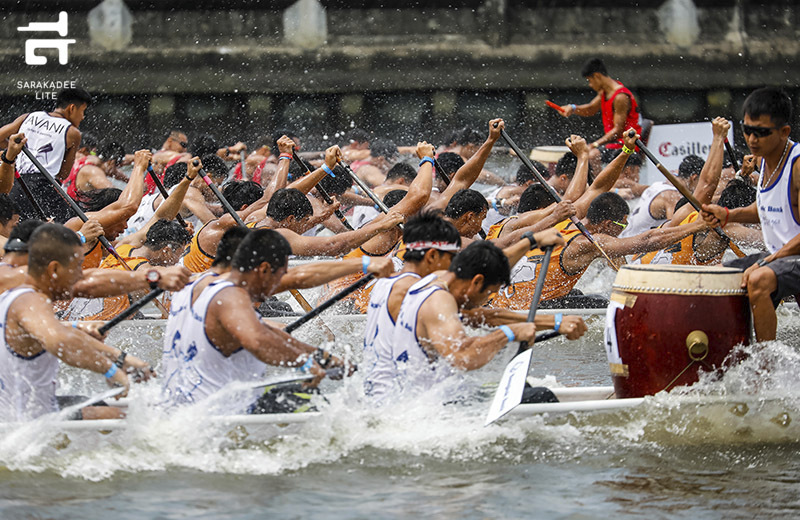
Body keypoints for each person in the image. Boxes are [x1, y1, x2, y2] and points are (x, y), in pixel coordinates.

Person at [363, 212, 586, 400]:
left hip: (399, 393)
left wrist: (531, 242)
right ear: (432, 255)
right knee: (539, 397)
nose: (456, 265)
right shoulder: (415, 292)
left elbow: (483, 283)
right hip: (403, 401)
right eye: (453, 257)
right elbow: (462, 354)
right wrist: (509, 333)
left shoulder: (399, 282)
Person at [490, 131, 711, 308]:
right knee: (602, 303)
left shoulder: (565, 219)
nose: (623, 230)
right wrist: (698, 226)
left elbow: (599, 187)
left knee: (578, 294)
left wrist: (625, 150)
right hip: (525, 310)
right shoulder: (589, 243)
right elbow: (647, 240)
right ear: (607, 224)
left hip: (499, 300)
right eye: (622, 225)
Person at [160, 229, 353, 412]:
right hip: (220, 413)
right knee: (322, 406)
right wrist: (303, 362)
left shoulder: (190, 284)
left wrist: (320, 356)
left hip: (179, 405)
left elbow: (261, 328)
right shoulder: (228, 296)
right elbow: (258, 340)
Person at [0, 223, 151, 422]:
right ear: (53, 267)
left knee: (98, 404)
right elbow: (58, 340)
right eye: (78, 266)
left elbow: (37, 333)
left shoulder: (14, 294)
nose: (80, 275)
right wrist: (111, 370)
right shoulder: (29, 298)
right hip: (28, 425)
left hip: (18, 409)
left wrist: (77, 328)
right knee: (131, 418)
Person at [701, 87, 800, 342]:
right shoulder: (764, 157)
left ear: (784, 132)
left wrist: (768, 261)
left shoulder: (797, 165)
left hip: (793, 256)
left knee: (758, 278)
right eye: (747, 130)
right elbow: (768, 208)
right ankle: (731, 352)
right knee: (715, 277)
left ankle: (764, 365)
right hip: (783, 257)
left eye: (761, 132)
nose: (752, 139)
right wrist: (726, 214)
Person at [0, 87, 93, 222]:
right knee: (72, 223)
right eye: (83, 111)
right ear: (72, 108)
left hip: (15, 183)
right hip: (43, 189)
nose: (83, 117)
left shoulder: (28, 117)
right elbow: (63, 174)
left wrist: (14, 149)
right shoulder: (73, 133)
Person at [559, 58, 642, 152]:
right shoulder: (604, 92)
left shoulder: (620, 97)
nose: (590, 85)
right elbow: (591, 109)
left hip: (626, 146)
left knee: (591, 155)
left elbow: (618, 130)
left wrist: (594, 145)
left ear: (597, 76)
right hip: (613, 145)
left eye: (589, 80)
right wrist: (573, 108)